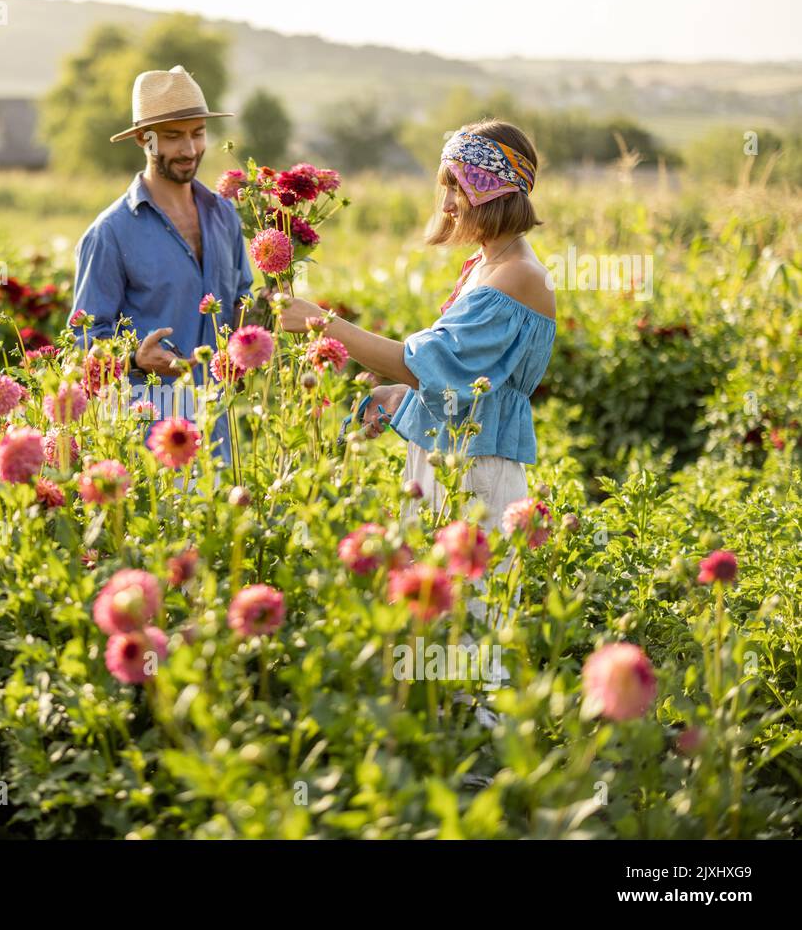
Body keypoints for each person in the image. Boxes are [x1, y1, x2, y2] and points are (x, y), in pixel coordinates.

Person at [278, 119, 557, 632]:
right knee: (432, 616)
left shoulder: (518, 274)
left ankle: (482, 714)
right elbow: (454, 377)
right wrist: (397, 395)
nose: (447, 203)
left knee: (471, 625)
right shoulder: (487, 265)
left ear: (491, 190)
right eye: (445, 185)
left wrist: (322, 323)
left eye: (457, 185)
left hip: (478, 470)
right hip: (451, 459)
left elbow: (423, 362)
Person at [71, 65, 254, 469]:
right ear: (143, 138)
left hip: (219, 429)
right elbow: (81, 342)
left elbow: (242, 302)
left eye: (197, 133)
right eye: (173, 136)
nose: (189, 149)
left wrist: (269, 310)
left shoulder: (225, 216)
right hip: (147, 434)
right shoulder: (110, 233)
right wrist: (133, 361)